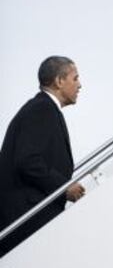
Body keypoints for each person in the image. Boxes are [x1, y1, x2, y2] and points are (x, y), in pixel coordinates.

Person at [0, 56, 85, 256]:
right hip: (26, 221)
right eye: (75, 78)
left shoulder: (44, 109)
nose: (80, 85)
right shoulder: (42, 108)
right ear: (59, 81)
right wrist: (64, 188)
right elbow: (27, 161)